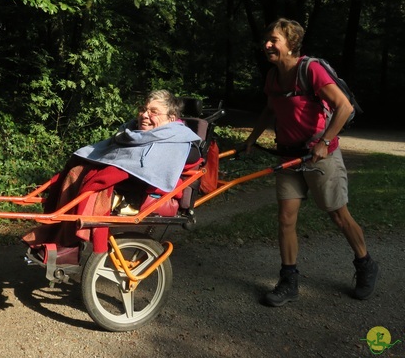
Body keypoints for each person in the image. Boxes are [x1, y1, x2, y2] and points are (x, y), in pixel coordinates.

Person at [243, 18, 379, 307]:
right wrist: (252, 139)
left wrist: (325, 142)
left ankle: (365, 263)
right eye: (267, 39)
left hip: (320, 156)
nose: (267, 44)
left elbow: (344, 106)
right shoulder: (272, 76)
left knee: (338, 215)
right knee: (285, 219)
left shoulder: (310, 69)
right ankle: (288, 280)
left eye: (274, 39)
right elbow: (270, 109)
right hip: (289, 157)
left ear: (291, 44)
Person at [23, 89, 200, 254]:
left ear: (171, 118)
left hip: (140, 190)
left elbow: (154, 169)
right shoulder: (132, 132)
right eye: (143, 109)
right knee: (77, 171)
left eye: (153, 112)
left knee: (92, 181)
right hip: (126, 182)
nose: (144, 115)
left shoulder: (176, 140)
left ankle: (67, 241)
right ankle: (58, 234)